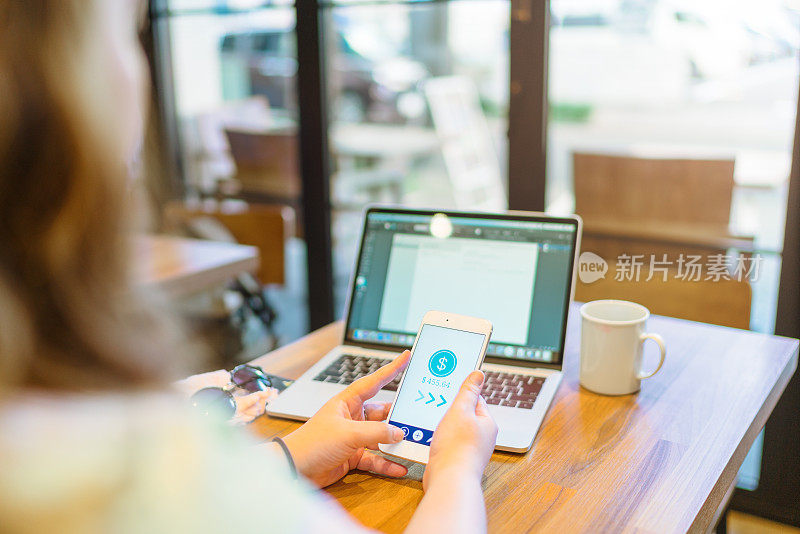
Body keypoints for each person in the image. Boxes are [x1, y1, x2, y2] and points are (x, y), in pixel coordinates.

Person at [0, 1, 499, 532]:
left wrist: (289, 455)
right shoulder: (122, 468)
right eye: (130, 33)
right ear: (60, 95)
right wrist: (455, 469)